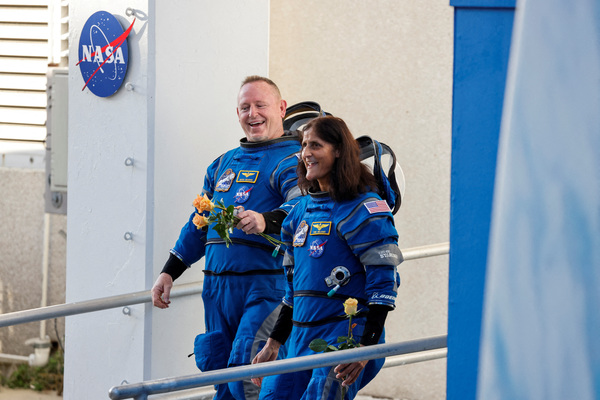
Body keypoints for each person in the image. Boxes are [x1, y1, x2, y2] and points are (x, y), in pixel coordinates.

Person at [150, 76, 302, 400]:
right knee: (222, 376)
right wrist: (168, 271)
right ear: (237, 112)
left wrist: (266, 220)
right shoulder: (222, 164)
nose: (253, 113)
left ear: (281, 108)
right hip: (217, 290)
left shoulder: (294, 161)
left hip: (265, 288)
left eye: (261, 105)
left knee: (247, 377)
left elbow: (302, 206)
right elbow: (198, 223)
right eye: (245, 107)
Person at [251, 116, 403, 400]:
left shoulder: (363, 209)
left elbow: (384, 285)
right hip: (297, 339)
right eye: (304, 145)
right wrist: (274, 343)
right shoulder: (299, 212)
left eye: (316, 145)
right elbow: (291, 291)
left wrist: (365, 350)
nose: (306, 153)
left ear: (338, 151)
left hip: (344, 339)